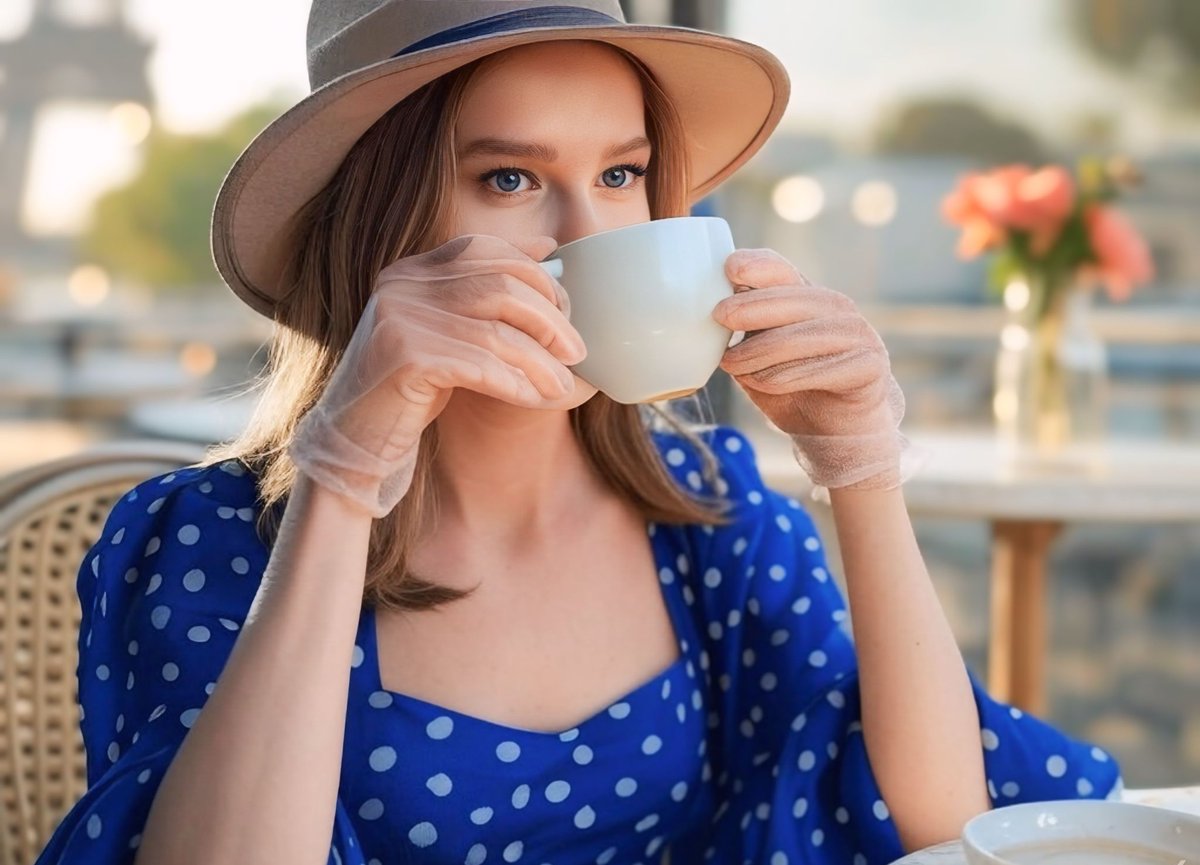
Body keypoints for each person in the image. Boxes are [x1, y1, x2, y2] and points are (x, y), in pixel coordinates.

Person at [35, 2, 1122, 864]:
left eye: (621, 174)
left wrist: (864, 468)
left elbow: (937, 824)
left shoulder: (713, 514)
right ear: (379, 223)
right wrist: (343, 472)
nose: (586, 236)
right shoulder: (206, 542)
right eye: (508, 179)